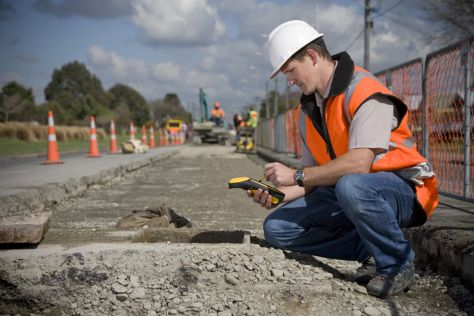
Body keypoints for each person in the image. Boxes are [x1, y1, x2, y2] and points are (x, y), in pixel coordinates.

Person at [249, 20, 438, 298]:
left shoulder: (364, 91)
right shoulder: (309, 110)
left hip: (405, 189)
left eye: (290, 71)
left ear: (312, 56)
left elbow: (359, 164)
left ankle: (396, 262)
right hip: (351, 190)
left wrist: (297, 176)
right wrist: (279, 193)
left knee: (351, 185)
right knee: (277, 228)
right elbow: (315, 176)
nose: (290, 81)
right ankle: (370, 248)